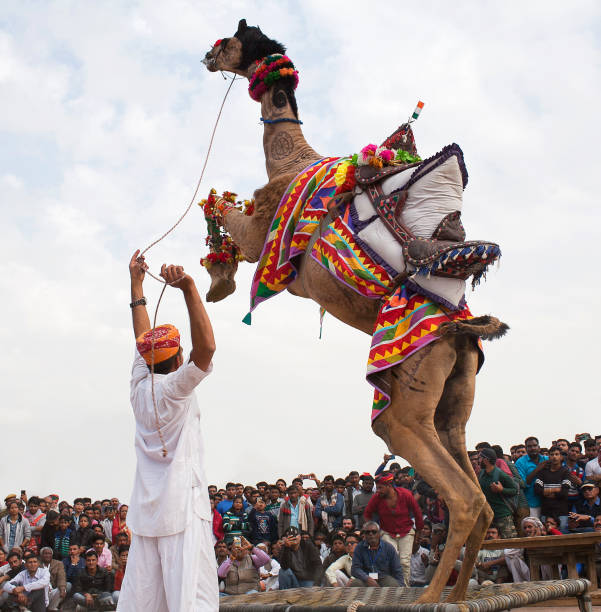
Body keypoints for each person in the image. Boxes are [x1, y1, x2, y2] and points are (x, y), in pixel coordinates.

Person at [118, 253, 218, 611]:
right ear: (178, 361)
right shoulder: (177, 387)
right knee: (192, 598)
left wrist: (137, 284)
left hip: (147, 517)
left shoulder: (138, 385)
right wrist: (189, 288)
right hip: (183, 510)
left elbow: (142, 339)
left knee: (145, 601)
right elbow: (205, 350)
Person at [364, 472, 424, 586]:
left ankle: (404, 589)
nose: (377, 491)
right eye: (377, 488)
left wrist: (418, 535)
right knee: (390, 560)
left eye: (380, 488)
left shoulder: (406, 494)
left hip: (406, 531)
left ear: (389, 486)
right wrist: (371, 530)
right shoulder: (376, 498)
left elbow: (418, 514)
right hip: (387, 532)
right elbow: (367, 514)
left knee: (404, 562)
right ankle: (391, 587)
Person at [478, 448, 519, 538]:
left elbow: (515, 490)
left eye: (480, 458)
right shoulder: (481, 474)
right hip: (487, 515)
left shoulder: (500, 474)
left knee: (510, 541)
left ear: (486, 460)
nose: (478, 460)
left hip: (502, 514)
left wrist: (501, 490)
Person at [350, 521, 404, 587]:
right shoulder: (359, 548)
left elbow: (397, 569)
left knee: (393, 585)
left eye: (374, 532)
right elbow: (355, 569)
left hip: (384, 578)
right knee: (355, 584)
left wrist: (401, 587)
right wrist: (367, 579)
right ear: (364, 535)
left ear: (379, 533)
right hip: (365, 578)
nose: (371, 534)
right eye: (367, 532)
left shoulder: (388, 547)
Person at [533, 445, 571, 531]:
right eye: (552, 454)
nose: (554, 457)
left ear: (561, 457)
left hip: (561, 512)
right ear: (548, 457)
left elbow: (564, 493)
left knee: (562, 536)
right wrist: (555, 489)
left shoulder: (565, 472)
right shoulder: (542, 473)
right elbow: (537, 490)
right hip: (546, 512)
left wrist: (546, 492)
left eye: (557, 454)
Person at [515, 437, 548, 518]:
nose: (532, 448)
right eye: (529, 446)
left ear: (539, 447)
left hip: (548, 502)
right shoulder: (520, 462)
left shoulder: (547, 459)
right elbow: (523, 484)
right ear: (526, 448)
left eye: (535, 445)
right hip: (531, 503)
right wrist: (538, 469)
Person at [39, 546, 67, 611]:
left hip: (53, 589)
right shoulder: (37, 564)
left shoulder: (58, 563)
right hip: (41, 591)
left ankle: (51, 608)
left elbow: (61, 576)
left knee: (63, 589)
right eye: (45, 553)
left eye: (49, 554)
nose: (48, 555)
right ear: (41, 555)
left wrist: (62, 588)